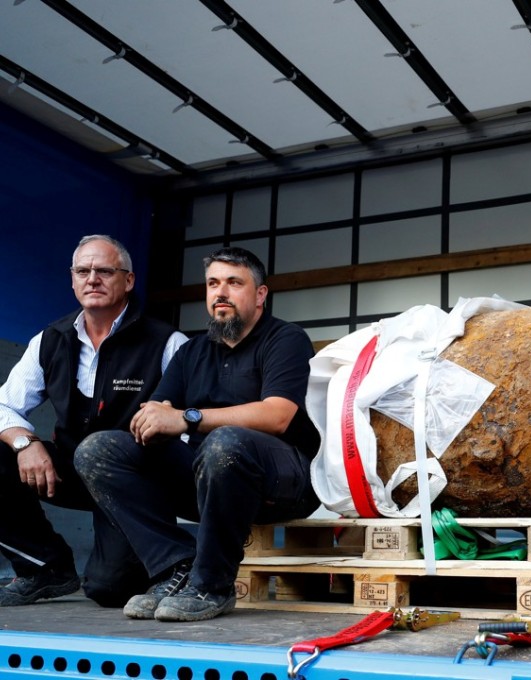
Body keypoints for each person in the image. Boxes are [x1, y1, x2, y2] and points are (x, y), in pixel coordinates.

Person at [75, 246, 321, 622]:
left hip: (284, 483)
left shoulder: (285, 339)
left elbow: (277, 415)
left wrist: (187, 418)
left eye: (234, 283)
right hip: (210, 481)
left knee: (227, 440)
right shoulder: (191, 352)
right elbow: (154, 415)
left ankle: (212, 585)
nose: (220, 293)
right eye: (212, 283)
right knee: (98, 450)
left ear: (259, 295)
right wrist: (155, 423)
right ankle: (176, 565)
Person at [0, 234, 188, 607]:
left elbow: (189, 427)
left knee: (109, 588)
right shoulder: (50, 340)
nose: (92, 279)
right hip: (69, 471)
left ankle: (181, 563)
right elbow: (4, 406)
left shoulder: (167, 343)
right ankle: (45, 567)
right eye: (83, 271)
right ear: (72, 280)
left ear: (128, 280)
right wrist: (26, 443)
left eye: (105, 270)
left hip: (133, 483)